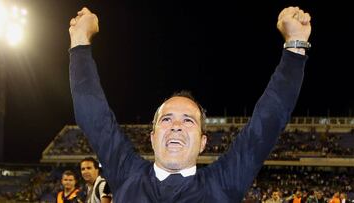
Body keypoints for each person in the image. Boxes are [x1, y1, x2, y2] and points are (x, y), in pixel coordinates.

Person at [68, 6, 311, 202]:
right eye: (166, 119)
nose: (176, 125)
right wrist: (79, 41)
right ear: (152, 137)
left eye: (188, 120)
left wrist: (296, 45)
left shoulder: (223, 182)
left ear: (203, 142)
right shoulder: (127, 173)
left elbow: (267, 122)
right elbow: (94, 117)